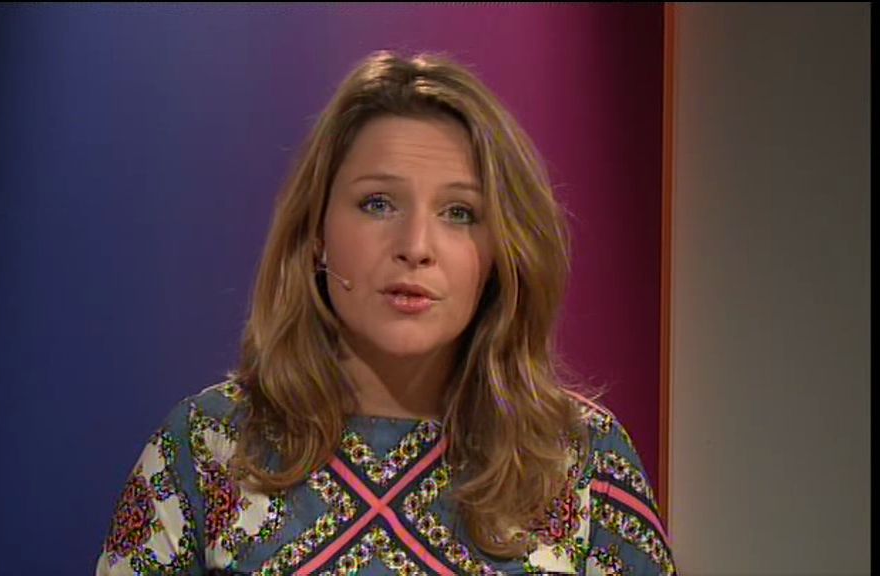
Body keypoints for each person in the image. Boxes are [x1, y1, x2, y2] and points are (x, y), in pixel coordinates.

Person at [95, 50, 676, 576]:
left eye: (459, 212)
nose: (416, 245)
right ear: (317, 235)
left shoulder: (580, 457)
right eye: (378, 203)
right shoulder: (205, 448)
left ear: (500, 253)